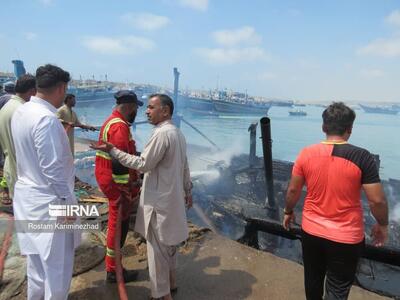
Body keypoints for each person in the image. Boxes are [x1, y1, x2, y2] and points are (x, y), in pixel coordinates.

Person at [91, 93, 193, 300]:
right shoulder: (178, 134)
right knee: (170, 245)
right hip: (172, 200)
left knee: (156, 251)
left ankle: (161, 294)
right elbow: (184, 166)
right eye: (146, 107)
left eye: (151, 107)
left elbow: (143, 164)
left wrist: (113, 151)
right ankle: (172, 284)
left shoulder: (161, 134)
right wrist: (188, 190)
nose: (146, 111)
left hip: (158, 203)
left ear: (165, 111)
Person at [283, 102, 388, 300]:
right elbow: (377, 201)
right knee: (337, 289)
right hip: (346, 238)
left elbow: (293, 189)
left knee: (312, 279)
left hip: (311, 232)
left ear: (323, 127)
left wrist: (288, 211)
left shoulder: (306, 153)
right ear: (350, 129)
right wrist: (382, 225)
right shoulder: (362, 157)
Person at [11, 64, 80, 300]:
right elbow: (52, 168)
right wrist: (68, 203)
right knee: (57, 271)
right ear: (61, 88)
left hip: (27, 198)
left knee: (36, 267)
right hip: (50, 203)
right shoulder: (46, 119)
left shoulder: (22, 111)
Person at [94, 90, 142, 283]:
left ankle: (113, 266)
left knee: (119, 222)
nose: (136, 112)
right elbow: (119, 161)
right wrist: (128, 187)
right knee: (117, 224)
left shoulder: (112, 121)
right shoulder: (120, 127)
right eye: (135, 108)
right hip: (116, 182)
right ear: (129, 107)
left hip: (106, 176)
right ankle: (113, 270)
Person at [0, 74, 36, 206]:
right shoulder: (22, 110)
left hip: (10, 167)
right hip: (23, 173)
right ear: (32, 91)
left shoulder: (6, 107)